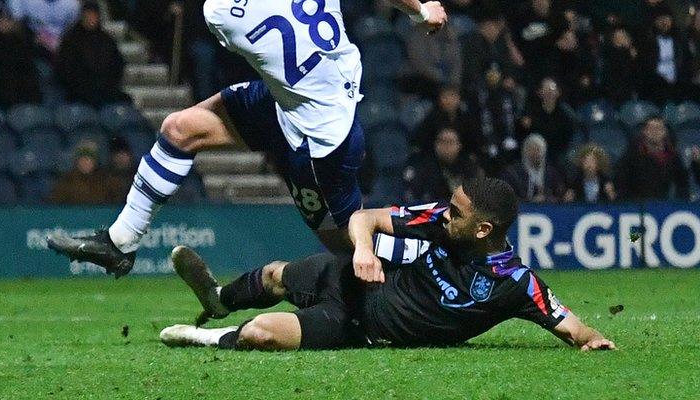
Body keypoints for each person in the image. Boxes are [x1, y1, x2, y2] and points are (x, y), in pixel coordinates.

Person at [47, 0, 447, 276]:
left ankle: (438, 253)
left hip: (319, 140)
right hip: (292, 104)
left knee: (345, 240)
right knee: (180, 128)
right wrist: (421, 14)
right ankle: (120, 242)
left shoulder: (218, 11)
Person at [160, 178, 616, 352]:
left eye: (457, 213)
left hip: (360, 326)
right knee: (277, 274)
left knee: (262, 332)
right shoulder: (440, 221)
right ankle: (219, 300)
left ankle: (200, 336)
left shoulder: (515, 283)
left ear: (483, 230)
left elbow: (574, 327)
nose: (446, 213)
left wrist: (594, 340)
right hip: (354, 277)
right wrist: (361, 249)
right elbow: (367, 218)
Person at [56, 2, 128, 107]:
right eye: (87, 15)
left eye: (93, 15)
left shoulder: (106, 40)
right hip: (78, 94)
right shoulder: (71, 40)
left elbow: (116, 65)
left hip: (106, 91)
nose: (90, 18)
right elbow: (66, 68)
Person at [402, 128, 482, 204]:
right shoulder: (424, 166)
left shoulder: (468, 166)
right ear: (436, 144)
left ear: (459, 145)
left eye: (450, 142)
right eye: (442, 141)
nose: (446, 146)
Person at [501, 134, 567, 202]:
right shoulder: (512, 173)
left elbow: (560, 192)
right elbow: (506, 197)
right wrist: (531, 200)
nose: (536, 154)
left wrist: (564, 196)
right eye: (532, 150)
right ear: (525, 151)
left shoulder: (551, 172)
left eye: (539, 150)